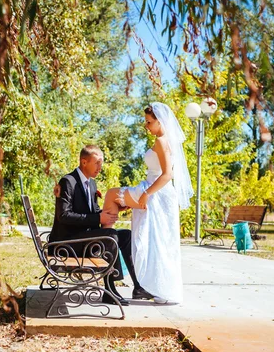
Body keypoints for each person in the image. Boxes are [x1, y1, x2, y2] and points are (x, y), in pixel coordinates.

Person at [102, 102, 193, 304]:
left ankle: (103, 253)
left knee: (110, 195)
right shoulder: (166, 140)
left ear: (161, 121)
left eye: (149, 122)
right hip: (155, 192)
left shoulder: (162, 141)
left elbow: (167, 174)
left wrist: (145, 195)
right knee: (158, 242)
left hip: (155, 192)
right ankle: (148, 287)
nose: (146, 126)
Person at [49, 145, 153, 306]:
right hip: (66, 243)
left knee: (125, 235)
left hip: (83, 239)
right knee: (109, 236)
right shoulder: (68, 182)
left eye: (101, 163)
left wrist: (116, 208)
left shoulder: (91, 184)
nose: (100, 167)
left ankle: (138, 286)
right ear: (84, 162)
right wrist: (98, 217)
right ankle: (110, 290)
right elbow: (63, 215)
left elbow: (94, 211)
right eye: (97, 162)